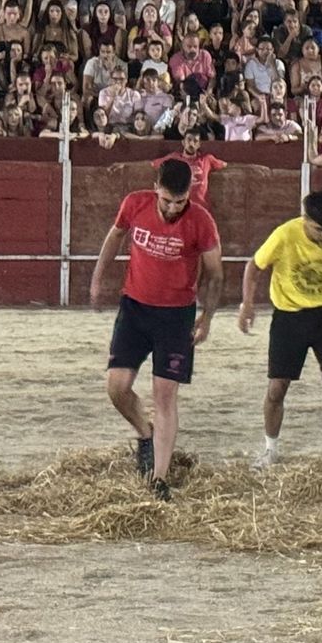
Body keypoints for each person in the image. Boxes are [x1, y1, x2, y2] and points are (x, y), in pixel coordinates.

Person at [89, 159, 224, 501]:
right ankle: (145, 432)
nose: (173, 208)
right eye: (167, 200)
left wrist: (206, 317)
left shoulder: (201, 221)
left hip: (177, 316)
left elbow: (215, 273)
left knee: (165, 395)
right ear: (156, 189)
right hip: (134, 308)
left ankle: (159, 479)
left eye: (180, 201)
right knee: (117, 388)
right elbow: (114, 237)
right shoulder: (135, 204)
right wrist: (97, 277)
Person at [237, 191, 322, 466]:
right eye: (320, 230)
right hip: (289, 316)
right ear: (305, 219)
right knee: (277, 388)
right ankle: (270, 449)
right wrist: (247, 304)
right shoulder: (285, 234)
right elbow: (254, 266)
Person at [152, 128, 226, 207]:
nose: (191, 143)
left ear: (199, 144)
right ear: (183, 142)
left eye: (195, 141)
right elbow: (154, 164)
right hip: (179, 207)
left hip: (201, 207)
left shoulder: (207, 159)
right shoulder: (174, 158)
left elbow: (225, 165)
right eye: (189, 140)